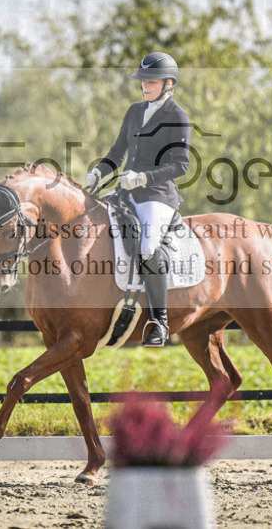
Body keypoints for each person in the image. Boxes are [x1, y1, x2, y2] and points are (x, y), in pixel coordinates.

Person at [86, 52, 191, 348]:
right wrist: (99, 171)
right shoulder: (134, 111)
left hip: (157, 196)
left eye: (152, 81)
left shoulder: (177, 116)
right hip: (126, 193)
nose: (145, 85)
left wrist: (144, 178)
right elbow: (117, 151)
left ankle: (159, 322)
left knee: (147, 247)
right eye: (143, 81)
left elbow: (181, 165)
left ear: (169, 83)